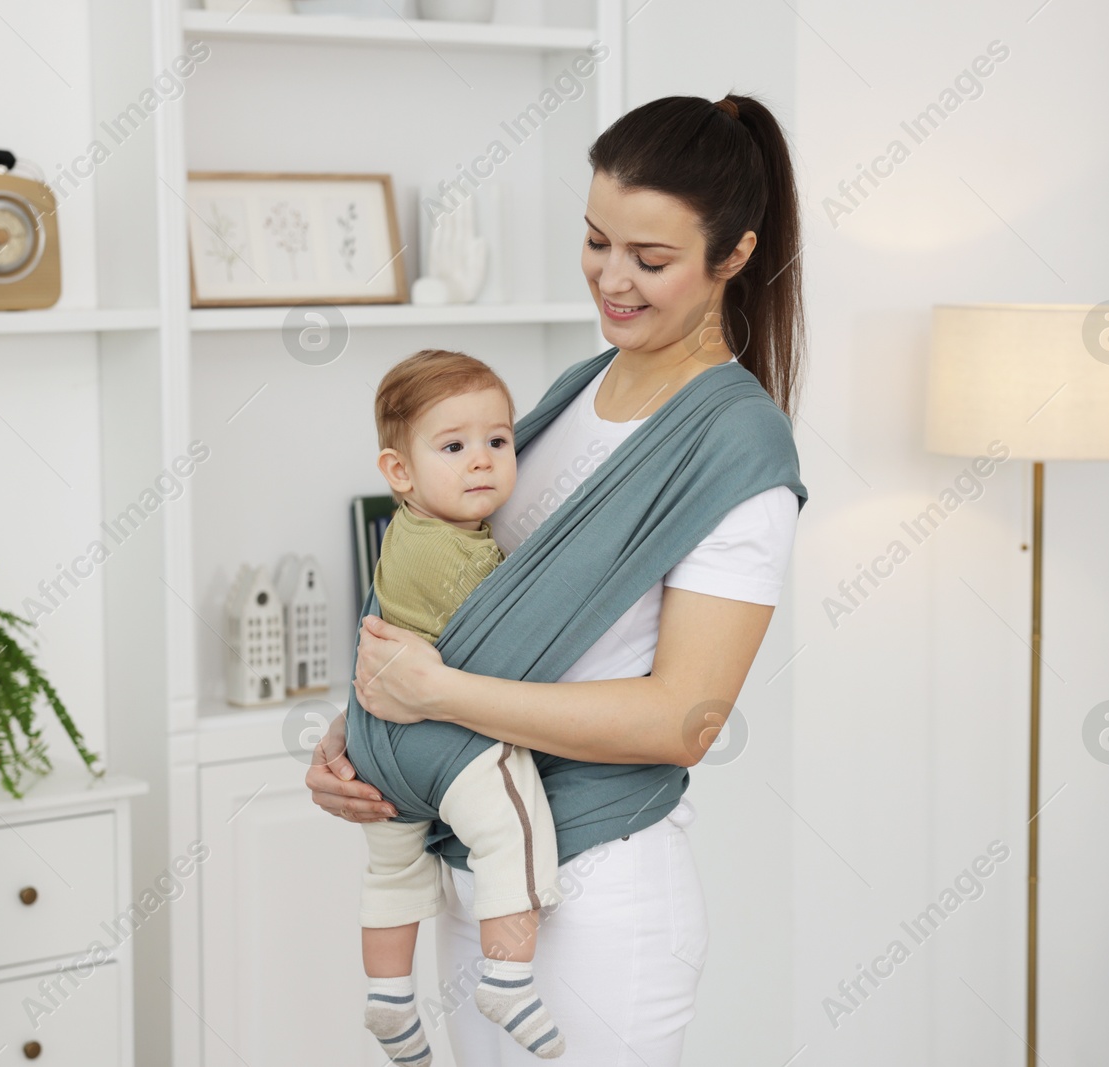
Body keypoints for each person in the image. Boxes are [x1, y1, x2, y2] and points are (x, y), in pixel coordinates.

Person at [310, 91, 808, 1065]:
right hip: (479, 859)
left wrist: (436, 694)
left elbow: (686, 718)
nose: (610, 280)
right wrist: (363, 734)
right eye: (595, 240)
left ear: (734, 257)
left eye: (650, 259)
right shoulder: (581, 386)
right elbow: (462, 599)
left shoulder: (736, 446)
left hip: (597, 882)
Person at [357, 348, 566, 1065]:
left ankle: (388, 999)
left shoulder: (406, 532)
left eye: (498, 441)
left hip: (376, 746)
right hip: (440, 739)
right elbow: (501, 643)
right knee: (514, 832)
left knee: (393, 873)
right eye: (454, 446)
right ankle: (507, 979)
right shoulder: (465, 557)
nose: (482, 461)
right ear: (400, 471)